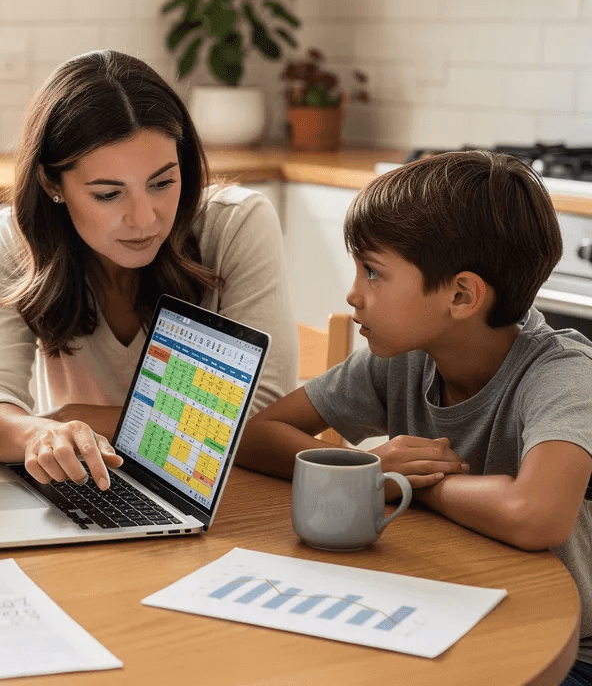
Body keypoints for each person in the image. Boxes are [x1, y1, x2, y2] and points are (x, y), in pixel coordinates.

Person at [233, 151, 592, 683]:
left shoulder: (562, 375)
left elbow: (535, 514)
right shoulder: (405, 356)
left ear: (462, 294)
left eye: (374, 273)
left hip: (560, 651)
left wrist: (404, 484)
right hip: (443, 608)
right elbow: (254, 434)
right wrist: (367, 469)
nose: (353, 293)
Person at [0, 50, 297, 491]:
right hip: (85, 487)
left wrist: (70, 418)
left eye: (162, 183)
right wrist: (38, 433)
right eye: (109, 194)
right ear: (52, 183)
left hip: (223, 498)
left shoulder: (236, 224)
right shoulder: (17, 239)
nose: (144, 219)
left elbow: (261, 415)